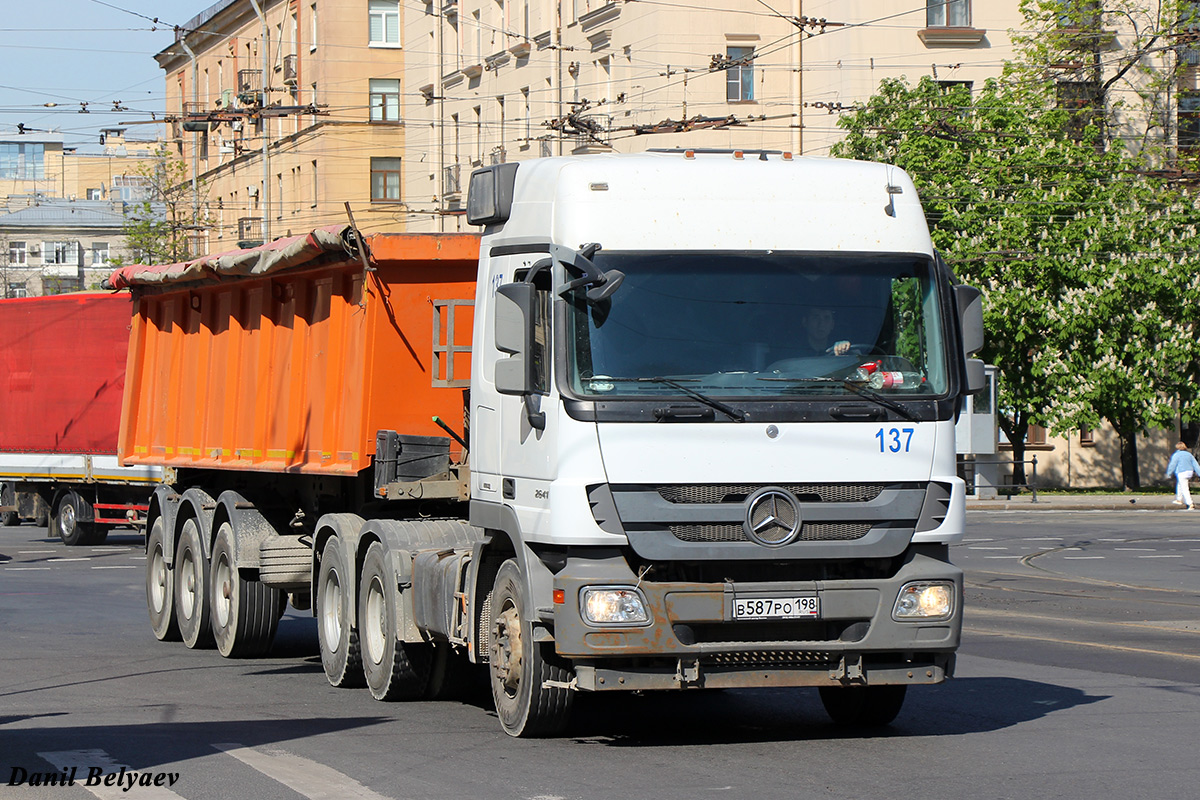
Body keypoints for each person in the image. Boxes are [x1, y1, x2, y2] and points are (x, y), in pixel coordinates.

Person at [1164, 441, 1200, 510]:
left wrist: (1168, 474)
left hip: (1181, 472)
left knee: (1184, 488)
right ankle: (1179, 499)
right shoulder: (1189, 455)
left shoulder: (1176, 455)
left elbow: (1172, 465)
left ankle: (1190, 503)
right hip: (1189, 472)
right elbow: (1196, 465)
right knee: (1180, 484)